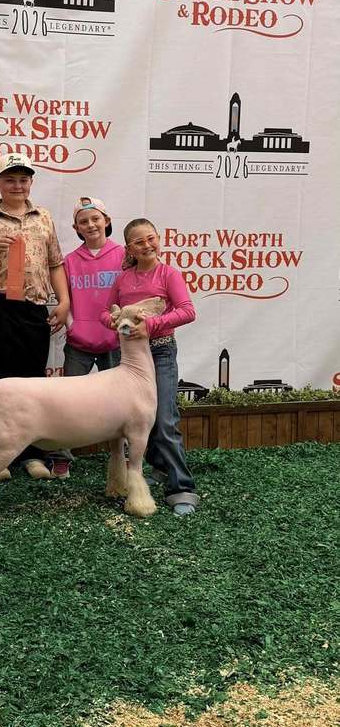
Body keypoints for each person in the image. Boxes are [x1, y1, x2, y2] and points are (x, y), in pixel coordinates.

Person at [0, 152, 69, 478]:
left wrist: (64, 301)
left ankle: (32, 454)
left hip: (33, 309)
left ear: (31, 183)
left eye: (23, 179)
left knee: (33, 383)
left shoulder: (44, 217)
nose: (17, 185)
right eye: (10, 179)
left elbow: (55, 263)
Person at [101, 217, 199, 517]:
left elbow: (187, 311)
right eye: (139, 241)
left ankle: (181, 488)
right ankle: (156, 467)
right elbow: (105, 312)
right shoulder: (123, 279)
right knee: (136, 418)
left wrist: (152, 324)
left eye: (151, 238)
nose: (147, 245)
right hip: (129, 358)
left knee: (165, 418)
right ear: (129, 248)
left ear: (158, 239)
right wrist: (114, 321)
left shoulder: (168, 274)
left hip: (160, 352)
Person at [52, 197, 125, 478]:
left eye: (96, 218)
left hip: (115, 342)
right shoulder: (70, 261)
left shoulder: (124, 255)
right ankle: (62, 456)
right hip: (79, 343)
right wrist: (73, 327)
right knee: (68, 402)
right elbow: (65, 298)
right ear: (76, 228)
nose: (91, 225)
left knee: (120, 401)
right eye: (83, 221)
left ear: (107, 221)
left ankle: (121, 453)